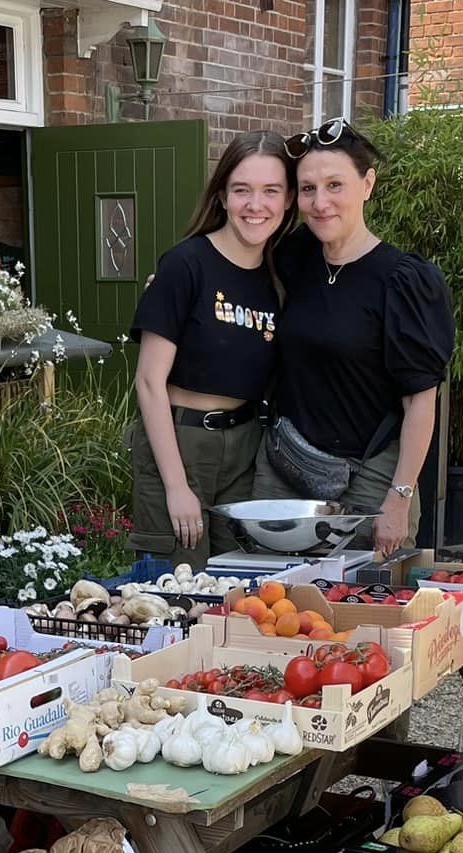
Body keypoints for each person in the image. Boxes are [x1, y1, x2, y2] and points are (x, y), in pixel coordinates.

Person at [256, 118, 454, 560]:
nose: (320, 202)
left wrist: (398, 499)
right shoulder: (294, 257)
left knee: (361, 615)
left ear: (367, 184)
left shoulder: (403, 281)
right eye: (308, 189)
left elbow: (421, 401)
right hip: (285, 465)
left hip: (371, 475)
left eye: (334, 185)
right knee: (267, 607)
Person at [127, 132, 294, 565]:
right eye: (242, 190)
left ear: (289, 199)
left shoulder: (280, 278)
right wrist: (176, 485)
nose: (255, 205)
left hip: (245, 446)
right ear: (222, 196)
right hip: (182, 442)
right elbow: (148, 382)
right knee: (176, 588)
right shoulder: (185, 264)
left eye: (270, 191)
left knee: (237, 588)